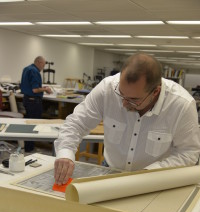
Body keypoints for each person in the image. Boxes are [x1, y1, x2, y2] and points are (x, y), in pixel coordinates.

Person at [54, 53, 200, 185]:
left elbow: (188, 152)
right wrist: (65, 153)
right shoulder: (108, 88)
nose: (124, 103)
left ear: (156, 91)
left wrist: (149, 173)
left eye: (133, 99)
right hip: (110, 170)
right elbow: (76, 123)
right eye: (121, 94)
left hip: (153, 179)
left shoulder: (181, 105)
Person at [20, 56, 52, 152]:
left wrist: (42, 88)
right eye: (43, 64)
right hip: (33, 101)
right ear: (38, 62)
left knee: (29, 124)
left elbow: (30, 86)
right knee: (34, 125)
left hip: (27, 100)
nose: (44, 67)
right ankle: (30, 148)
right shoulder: (35, 71)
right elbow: (35, 90)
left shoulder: (26, 69)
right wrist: (45, 89)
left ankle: (28, 146)